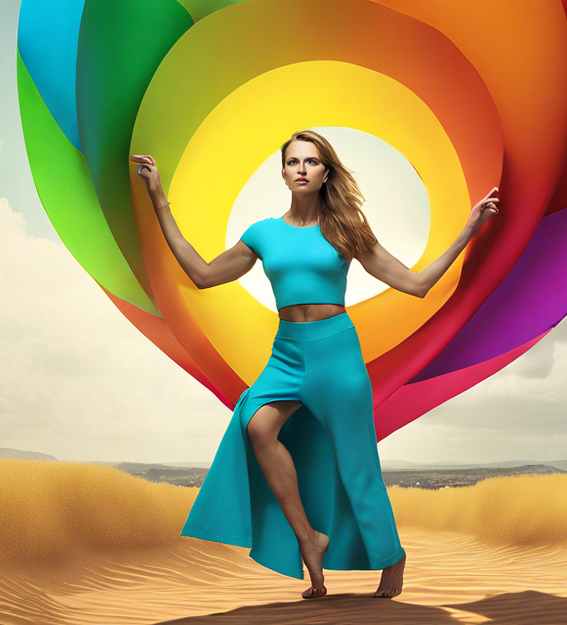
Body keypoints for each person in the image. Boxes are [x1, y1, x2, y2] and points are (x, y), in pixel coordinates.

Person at [129, 130, 499, 600]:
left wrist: (469, 230)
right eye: (293, 162)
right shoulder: (262, 233)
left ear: (326, 173)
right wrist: (159, 200)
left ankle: (392, 556)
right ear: (282, 172)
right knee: (257, 428)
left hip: (336, 354)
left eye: (312, 162)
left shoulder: (346, 229)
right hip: (286, 352)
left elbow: (416, 283)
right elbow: (202, 275)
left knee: (357, 465)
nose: (302, 168)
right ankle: (309, 537)